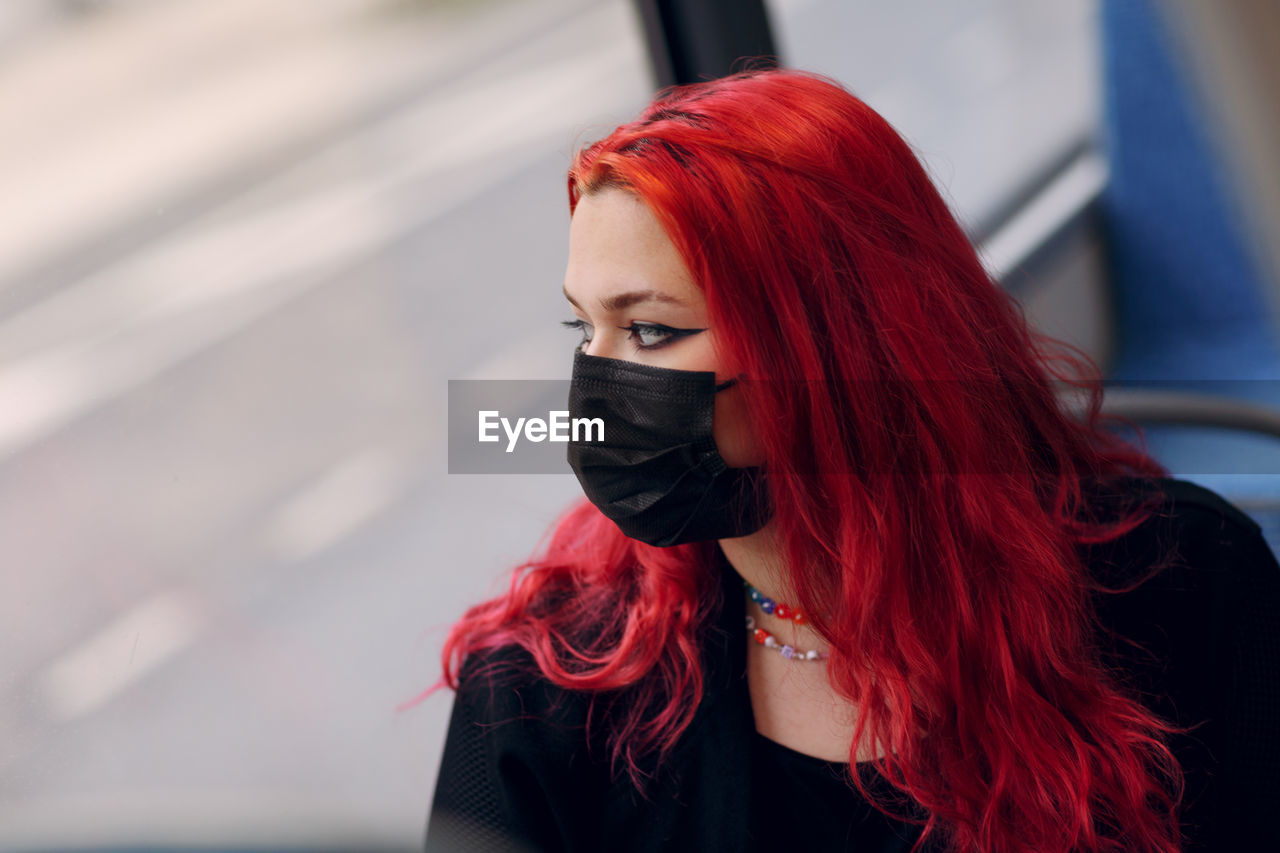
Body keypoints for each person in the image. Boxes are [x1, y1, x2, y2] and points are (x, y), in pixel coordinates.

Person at [423, 69, 1280, 852]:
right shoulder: (541, 689)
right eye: (585, 329)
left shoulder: (1179, 585)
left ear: (833, 348)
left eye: (651, 329)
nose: (598, 384)